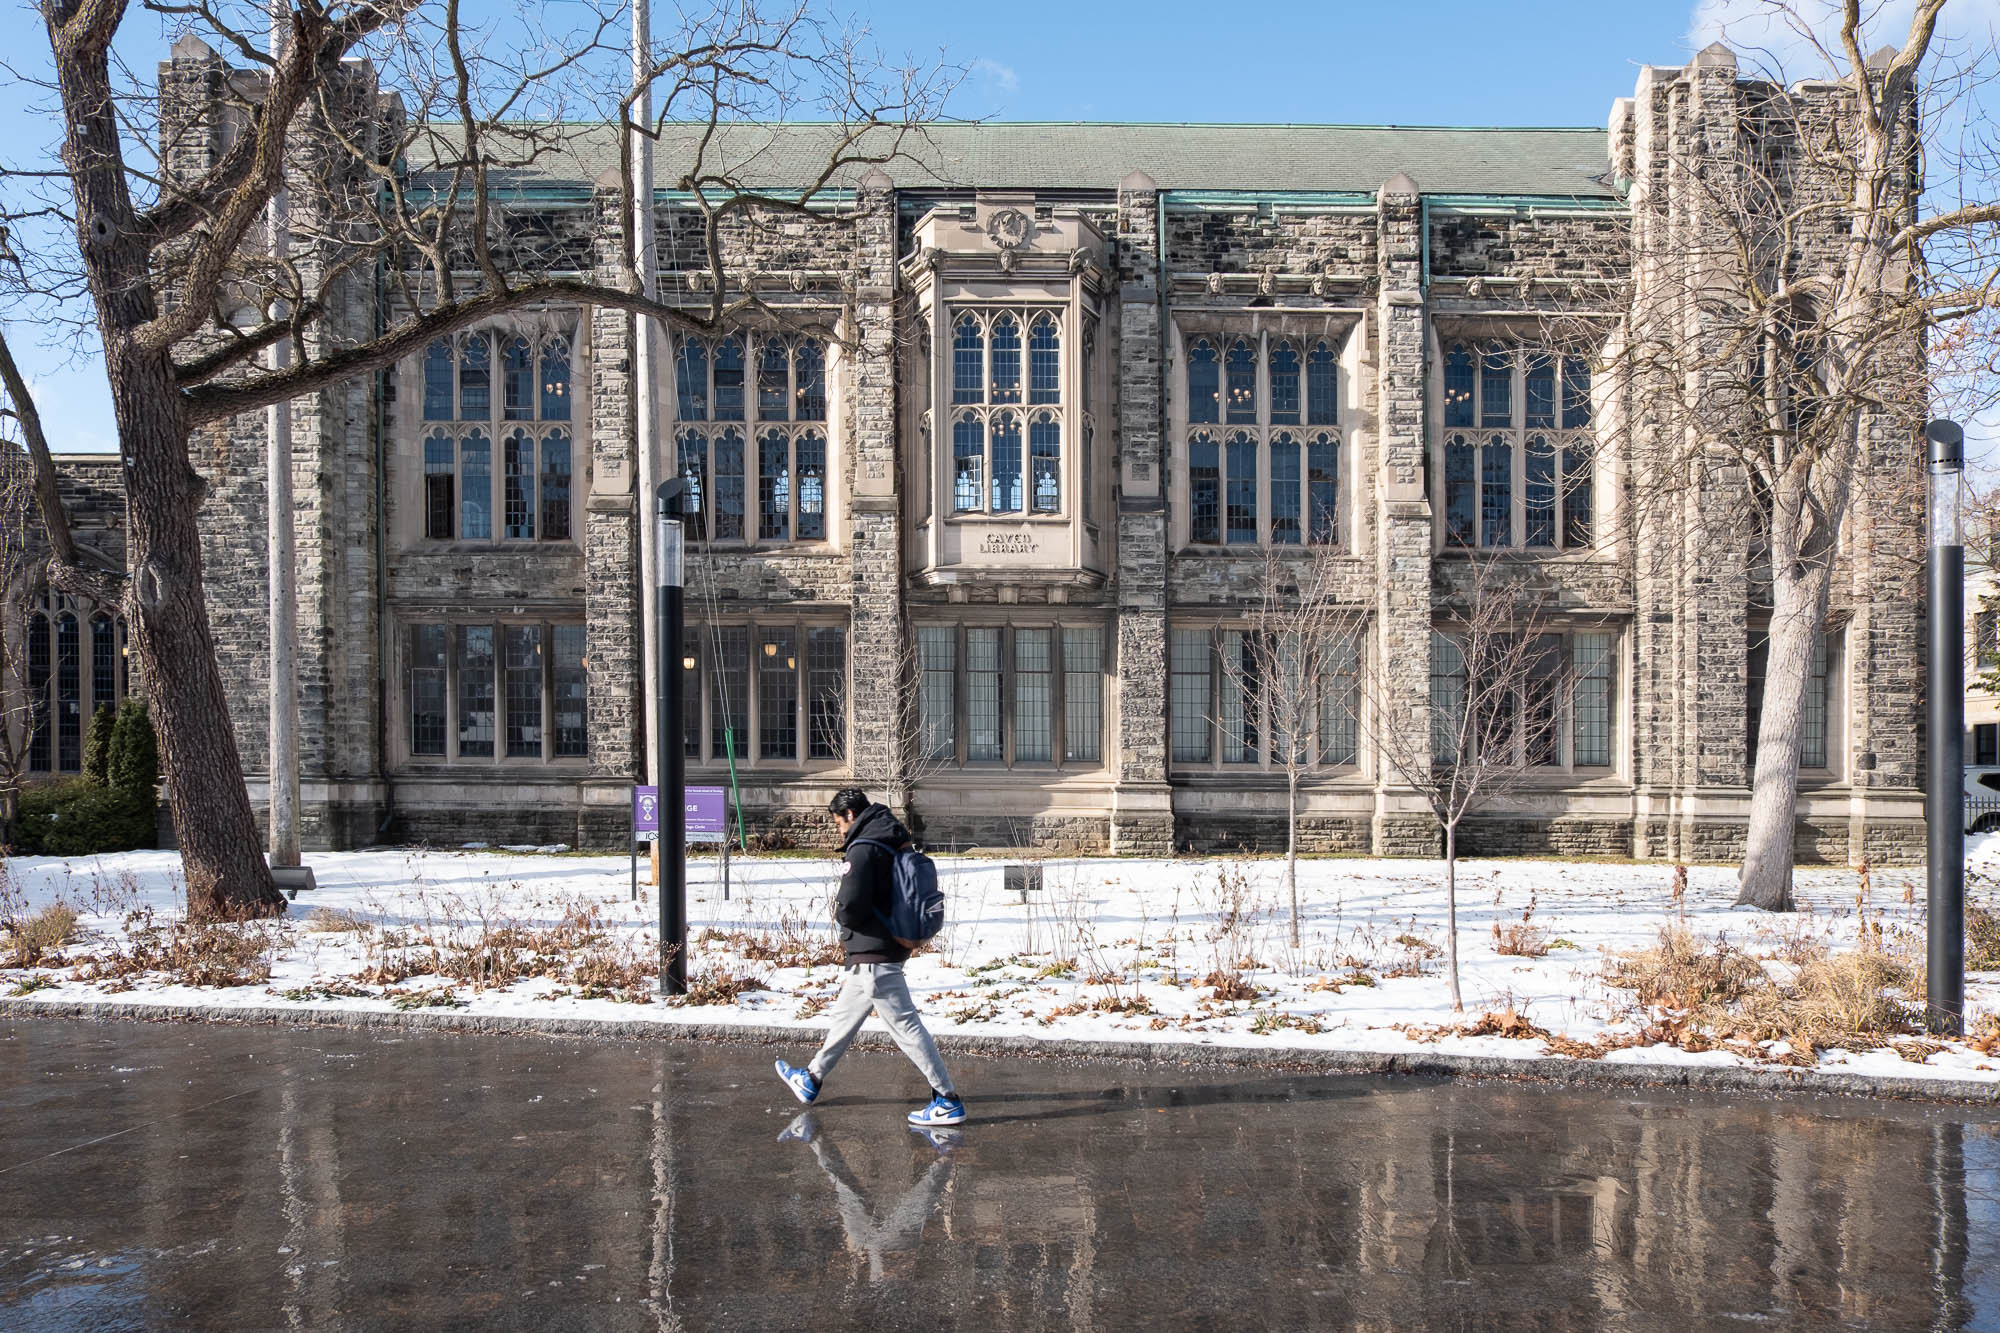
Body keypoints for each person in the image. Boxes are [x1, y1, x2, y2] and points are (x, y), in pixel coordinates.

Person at [776, 788, 965, 1126]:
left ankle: (947, 1098)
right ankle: (811, 1079)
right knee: (844, 1020)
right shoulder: (889, 838)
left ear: (849, 815)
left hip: (874, 954)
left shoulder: (863, 848)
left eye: (838, 823)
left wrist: (844, 920)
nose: (839, 830)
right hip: (878, 950)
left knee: (907, 1028)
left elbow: (850, 904)